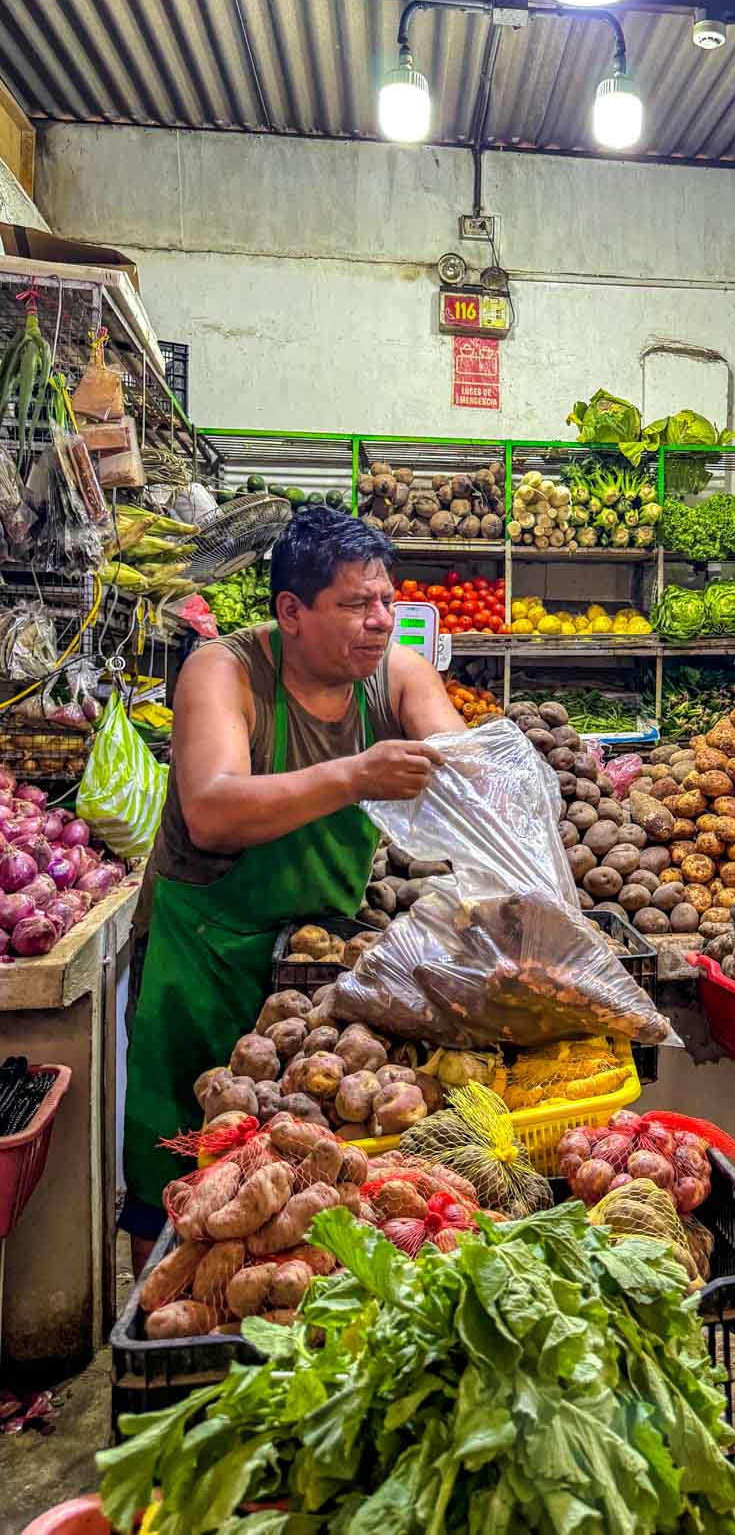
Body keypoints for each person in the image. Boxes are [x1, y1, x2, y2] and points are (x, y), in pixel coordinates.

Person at [120, 507, 464, 1269]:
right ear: (291, 612)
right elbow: (210, 809)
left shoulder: (396, 676)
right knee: (176, 1161)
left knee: (301, 1173)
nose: (381, 621)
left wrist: (478, 778)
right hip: (204, 957)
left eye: (387, 601)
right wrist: (355, 775)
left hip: (316, 971)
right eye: (356, 604)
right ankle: (162, 1318)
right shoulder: (224, 672)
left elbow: (457, 755)